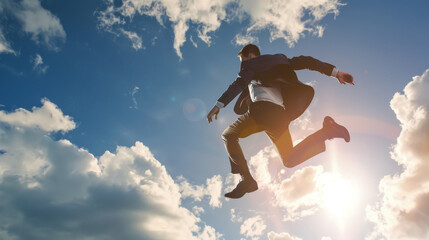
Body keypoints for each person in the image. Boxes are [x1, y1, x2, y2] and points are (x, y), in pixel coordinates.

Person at [206, 44, 354, 199]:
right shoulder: (279, 61)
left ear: (250, 55)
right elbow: (307, 61)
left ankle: (247, 180)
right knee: (289, 159)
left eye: (242, 60)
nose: (242, 65)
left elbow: (238, 83)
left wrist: (219, 105)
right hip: (279, 117)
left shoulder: (250, 65)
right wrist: (336, 73)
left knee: (228, 135)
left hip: (262, 112)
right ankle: (327, 132)